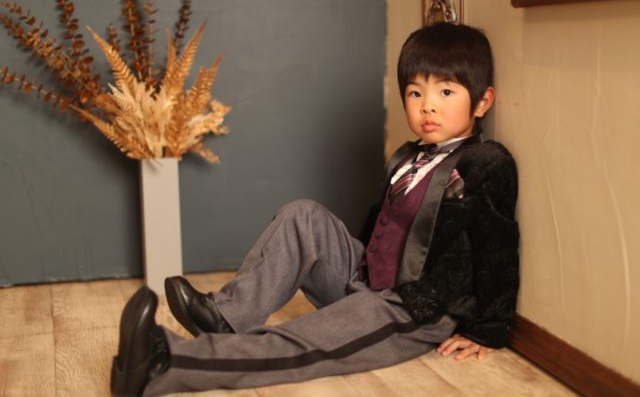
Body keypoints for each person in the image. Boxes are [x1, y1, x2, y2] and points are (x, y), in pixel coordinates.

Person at [110, 22, 520, 396]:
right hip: (368, 281)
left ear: (482, 101)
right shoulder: (407, 157)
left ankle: (164, 364)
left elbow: (497, 250)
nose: (428, 105)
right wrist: (355, 268)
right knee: (302, 214)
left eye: (445, 92)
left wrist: (488, 329)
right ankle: (225, 316)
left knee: (304, 340)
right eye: (415, 92)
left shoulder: (486, 163)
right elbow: (382, 227)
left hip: (413, 307)